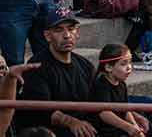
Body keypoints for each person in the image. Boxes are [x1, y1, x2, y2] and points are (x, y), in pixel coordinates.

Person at [15, 9, 96, 137]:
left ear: (77, 32)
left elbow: (100, 100)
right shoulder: (37, 66)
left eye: (71, 29)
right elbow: (41, 110)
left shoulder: (85, 65)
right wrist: (72, 122)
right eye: (59, 30)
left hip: (85, 126)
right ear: (47, 36)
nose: (67, 35)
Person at [90, 44, 151, 137]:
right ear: (109, 67)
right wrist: (128, 127)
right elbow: (105, 113)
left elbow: (125, 109)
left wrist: (135, 127)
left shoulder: (121, 84)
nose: (129, 67)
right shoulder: (101, 85)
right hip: (104, 132)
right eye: (123, 64)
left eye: (130, 62)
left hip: (119, 129)